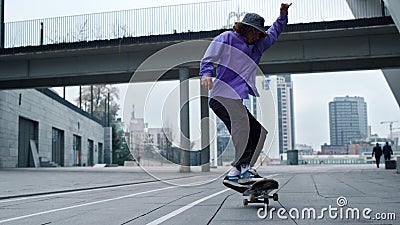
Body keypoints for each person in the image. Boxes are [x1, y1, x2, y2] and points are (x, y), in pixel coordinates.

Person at [199, 3, 291, 190]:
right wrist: (206, 73)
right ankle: (243, 169)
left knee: (258, 132)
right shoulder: (228, 38)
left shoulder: (258, 46)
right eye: (254, 33)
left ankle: (237, 172)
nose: (256, 37)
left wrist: (282, 15)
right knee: (244, 127)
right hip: (221, 97)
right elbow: (209, 56)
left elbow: (274, 33)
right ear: (245, 29)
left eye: (259, 34)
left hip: (235, 99)